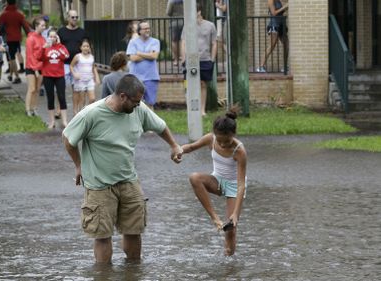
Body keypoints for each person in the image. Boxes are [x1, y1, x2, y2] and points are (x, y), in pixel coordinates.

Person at [62, 74, 183, 264]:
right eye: (135, 101)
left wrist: (174, 145)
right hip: (99, 184)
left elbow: (160, 126)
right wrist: (79, 166)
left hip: (128, 180)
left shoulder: (138, 109)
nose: (138, 105)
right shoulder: (92, 114)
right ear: (123, 96)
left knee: (135, 230)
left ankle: (133, 272)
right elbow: (68, 139)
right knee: (102, 235)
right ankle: (104, 275)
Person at [180, 109, 247, 256]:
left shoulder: (239, 151)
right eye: (220, 140)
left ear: (233, 135)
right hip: (217, 180)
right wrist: (178, 150)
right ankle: (215, 219)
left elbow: (241, 184)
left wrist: (235, 214)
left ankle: (229, 262)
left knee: (231, 230)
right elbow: (191, 147)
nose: (222, 145)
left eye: (227, 141)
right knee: (194, 177)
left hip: (234, 187)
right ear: (215, 135)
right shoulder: (211, 139)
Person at [181, 3, 217, 116]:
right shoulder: (187, 25)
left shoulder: (210, 25)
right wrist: (183, 58)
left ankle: (202, 110)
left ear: (199, 11)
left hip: (205, 59)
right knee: (188, 84)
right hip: (191, 58)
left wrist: (212, 59)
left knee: (203, 84)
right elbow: (183, 42)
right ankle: (191, 109)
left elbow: (214, 43)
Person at [126, 20, 160, 109]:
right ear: (139, 31)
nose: (147, 30)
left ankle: (149, 122)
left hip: (151, 77)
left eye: (148, 28)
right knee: (135, 104)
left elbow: (154, 56)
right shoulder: (133, 42)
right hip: (136, 77)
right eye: (145, 29)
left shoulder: (155, 42)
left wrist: (139, 53)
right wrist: (148, 54)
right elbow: (133, 58)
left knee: (150, 104)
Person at [0, 0, 31, 84]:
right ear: (15, 3)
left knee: (11, 58)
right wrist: (30, 36)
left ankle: (17, 77)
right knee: (13, 56)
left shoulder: (3, 15)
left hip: (8, 39)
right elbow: (26, 26)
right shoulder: (19, 14)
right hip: (17, 39)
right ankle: (11, 75)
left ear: (7, 3)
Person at [42, 29, 69, 129]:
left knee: (62, 97)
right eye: (51, 36)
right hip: (48, 75)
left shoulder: (61, 47)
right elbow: (39, 57)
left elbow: (66, 56)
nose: (52, 38)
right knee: (50, 98)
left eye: (54, 36)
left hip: (59, 75)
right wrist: (43, 48)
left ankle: (65, 121)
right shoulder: (45, 47)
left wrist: (59, 45)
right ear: (48, 37)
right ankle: (52, 121)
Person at [58, 10, 88, 93]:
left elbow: (87, 47)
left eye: (76, 17)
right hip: (64, 64)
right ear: (68, 18)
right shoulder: (61, 31)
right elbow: (57, 47)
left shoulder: (82, 32)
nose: (75, 19)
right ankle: (60, 106)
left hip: (78, 64)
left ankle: (77, 106)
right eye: (73, 17)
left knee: (78, 90)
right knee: (60, 89)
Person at [256, 0, 289, 73]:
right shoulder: (270, 1)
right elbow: (274, 13)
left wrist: (285, 8)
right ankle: (261, 66)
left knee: (287, 44)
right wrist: (284, 7)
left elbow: (280, 12)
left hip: (281, 25)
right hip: (274, 25)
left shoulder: (278, 1)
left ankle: (285, 66)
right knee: (272, 44)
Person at [70, 39, 100, 114]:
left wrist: (97, 78)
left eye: (87, 46)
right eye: (84, 46)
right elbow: (71, 66)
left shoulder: (91, 57)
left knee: (92, 99)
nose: (86, 48)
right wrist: (74, 74)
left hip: (90, 80)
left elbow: (93, 68)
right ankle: (81, 114)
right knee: (82, 100)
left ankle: (86, 111)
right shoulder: (78, 56)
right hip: (80, 80)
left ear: (89, 47)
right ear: (81, 47)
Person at [25, 16, 47, 116]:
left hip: (41, 67)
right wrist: (35, 70)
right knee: (32, 88)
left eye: (45, 26)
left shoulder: (42, 38)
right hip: (31, 67)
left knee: (37, 89)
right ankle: (28, 109)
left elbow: (43, 54)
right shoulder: (30, 38)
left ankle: (34, 108)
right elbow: (30, 56)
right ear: (36, 26)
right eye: (42, 25)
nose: (44, 27)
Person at [166, 0, 184, 66]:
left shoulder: (171, 1)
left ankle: (176, 60)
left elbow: (168, 12)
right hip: (184, 21)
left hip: (174, 22)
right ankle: (183, 59)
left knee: (174, 41)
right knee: (183, 41)